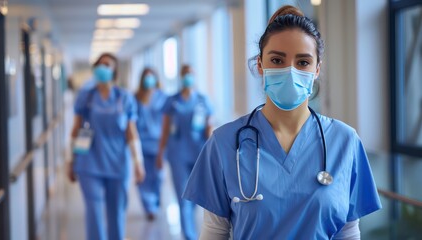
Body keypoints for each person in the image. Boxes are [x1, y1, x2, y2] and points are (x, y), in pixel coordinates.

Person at [183, 5, 381, 239]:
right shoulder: (224, 143)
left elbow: (347, 231)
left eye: (303, 62)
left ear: (317, 69)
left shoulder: (345, 142)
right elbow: (215, 232)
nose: (290, 71)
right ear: (260, 65)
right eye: (277, 60)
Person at [67, 53, 146, 240]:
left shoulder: (124, 97)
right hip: (89, 163)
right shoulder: (86, 96)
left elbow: (131, 132)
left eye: (107, 64)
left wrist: (138, 162)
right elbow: (76, 129)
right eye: (99, 64)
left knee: (116, 213)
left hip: (118, 163)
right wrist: (71, 160)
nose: (103, 68)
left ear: (114, 71)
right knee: (93, 213)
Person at [156, 64, 213, 240]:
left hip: (199, 152)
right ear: (180, 77)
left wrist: (213, 152)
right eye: (185, 74)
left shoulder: (203, 100)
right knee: (183, 196)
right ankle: (189, 235)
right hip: (177, 153)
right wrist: (160, 152)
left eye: (190, 74)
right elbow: (165, 129)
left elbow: (209, 128)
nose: (188, 77)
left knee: (197, 194)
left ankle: (190, 225)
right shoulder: (172, 101)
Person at [134, 67, 167, 221]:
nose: (148, 79)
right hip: (141, 144)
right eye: (146, 76)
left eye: (151, 76)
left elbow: (167, 122)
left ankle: (155, 200)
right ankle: (149, 207)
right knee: (143, 177)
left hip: (159, 143)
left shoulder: (162, 97)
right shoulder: (136, 98)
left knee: (158, 177)